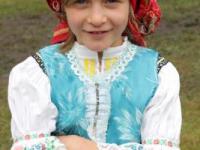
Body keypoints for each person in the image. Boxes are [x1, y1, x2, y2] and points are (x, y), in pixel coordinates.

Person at [8, 0, 182, 149]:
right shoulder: (37, 72)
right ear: (63, 7)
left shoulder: (157, 74)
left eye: (111, 0)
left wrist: (81, 146)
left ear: (131, 5)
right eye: (81, 1)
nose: (96, 18)